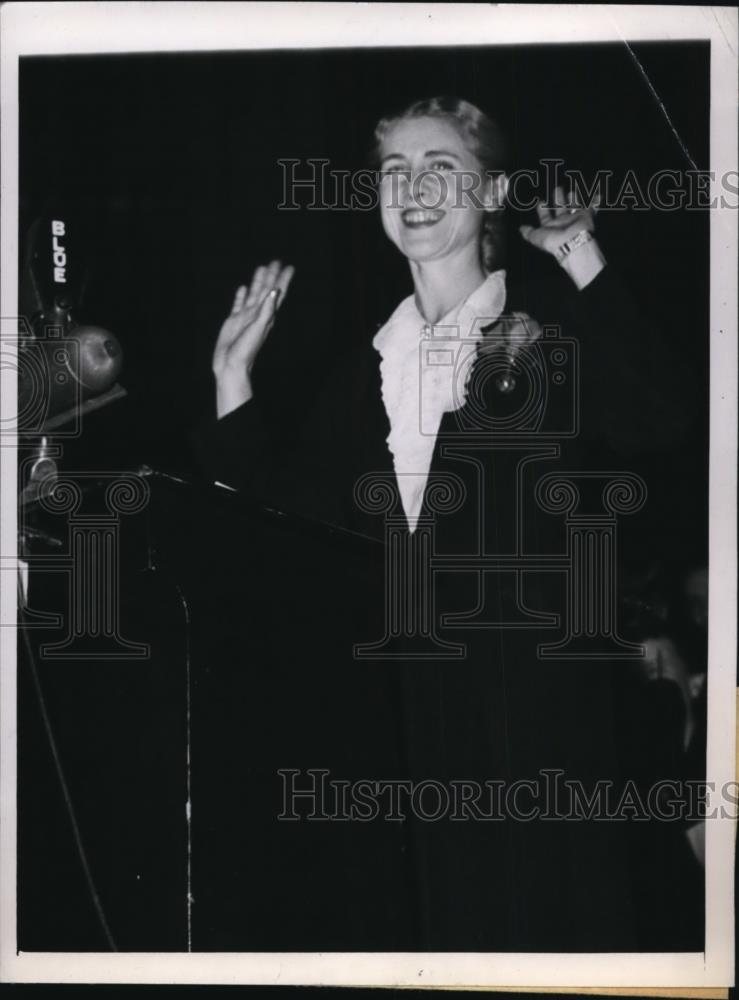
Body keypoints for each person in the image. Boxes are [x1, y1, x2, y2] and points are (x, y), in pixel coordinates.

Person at [193, 96, 699, 951]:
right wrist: (232, 377)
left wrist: (580, 254)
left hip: (544, 711)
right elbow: (276, 518)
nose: (412, 188)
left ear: (493, 189)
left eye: (439, 167)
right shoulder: (365, 371)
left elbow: (665, 416)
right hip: (414, 716)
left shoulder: (551, 322)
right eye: (393, 172)